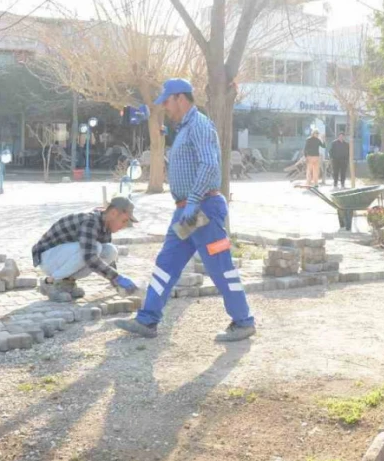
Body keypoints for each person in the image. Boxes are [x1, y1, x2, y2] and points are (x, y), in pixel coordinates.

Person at [115, 78, 256, 342]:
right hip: (187, 213)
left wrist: (193, 200)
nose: (165, 108)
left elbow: (209, 165)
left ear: (181, 98)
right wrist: (187, 205)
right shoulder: (185, 128)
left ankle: (243, 321)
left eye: (167, 102)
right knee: (166, 264)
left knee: (219, 267)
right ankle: (147, 320)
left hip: (203, 210)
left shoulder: (199, 125)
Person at [31, 196, 140, 298]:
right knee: (95, 249)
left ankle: (66, 284)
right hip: (47, 258)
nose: (124, 226)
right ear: (113, 213)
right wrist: (117, 277)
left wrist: (118, 284)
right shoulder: (90, 222)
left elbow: (108, 262)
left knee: (110, 250)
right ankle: (50, 283)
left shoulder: (106, 228)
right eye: (124, 221)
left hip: (61, 258)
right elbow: (89, 257)